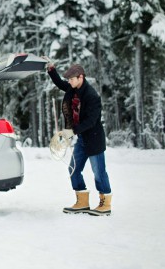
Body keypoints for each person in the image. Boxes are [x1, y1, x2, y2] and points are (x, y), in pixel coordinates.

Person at [47, 62, 112, 216]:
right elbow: (59, 83)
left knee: (99, 173)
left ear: (80, 77)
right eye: (68, 79)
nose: (68, 82)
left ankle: (105, 203)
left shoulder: (91, 96)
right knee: (73, 169)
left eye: (71, 79)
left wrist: (72, 131)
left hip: (94, 139)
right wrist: (51, 69)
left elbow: (91, 121)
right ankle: (82, 201)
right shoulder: (72, 88)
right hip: (82, 139)